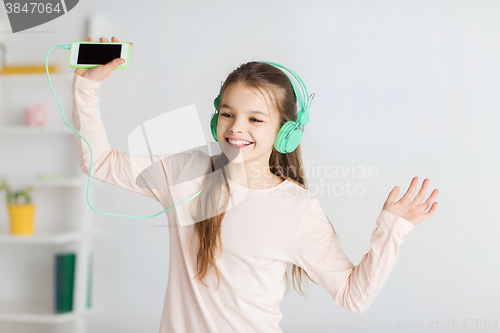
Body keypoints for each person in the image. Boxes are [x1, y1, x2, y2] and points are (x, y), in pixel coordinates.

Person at [72, 36, 440, 333]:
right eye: (228, 114)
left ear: (286, 133)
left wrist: (392, 229)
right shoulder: (186, 172)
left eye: (255, 119)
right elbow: (99, 162)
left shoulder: (296, 208)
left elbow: (352, 296)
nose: (236, 128)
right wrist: (85, 88)